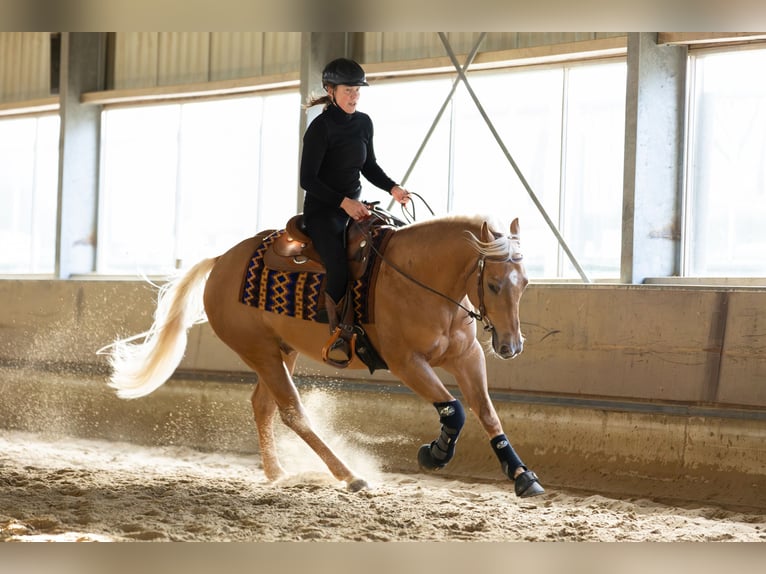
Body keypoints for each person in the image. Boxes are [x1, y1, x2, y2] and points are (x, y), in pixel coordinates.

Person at [300, 57, 411, 367]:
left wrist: (393, 189)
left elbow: (369, 166)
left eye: (358, 91)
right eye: (348, 90)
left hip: (356, 208)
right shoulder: (320, 128)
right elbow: (307, 179)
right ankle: (337, 333)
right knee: (338, 267)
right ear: (331, 90)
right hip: (324, 212)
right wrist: (343, 202)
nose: (354, 96)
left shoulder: (364, 122)